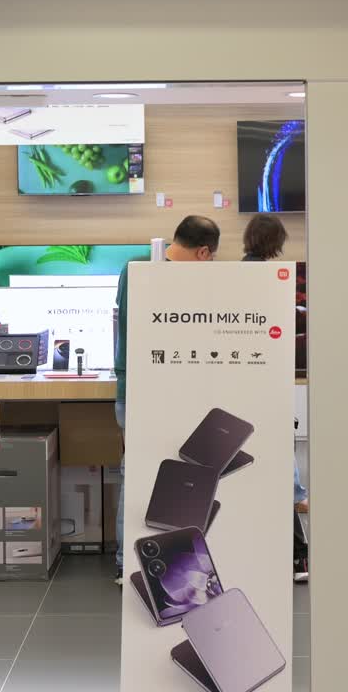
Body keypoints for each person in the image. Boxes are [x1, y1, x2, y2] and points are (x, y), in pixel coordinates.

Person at [114, 215, 221, 585]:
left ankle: (127, 562)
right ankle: (151, 562)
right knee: (158, 475)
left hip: (135, 388)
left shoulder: (134, 269)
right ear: (204, 251)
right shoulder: (163, 276)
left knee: (140, 473)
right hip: (156, 391)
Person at [240, 214, 309, 583]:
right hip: (270, 377)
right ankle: (296, 555)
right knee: (280, 453)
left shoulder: (237, 274)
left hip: (245, 381)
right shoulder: (274, 277)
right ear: (276, 241)